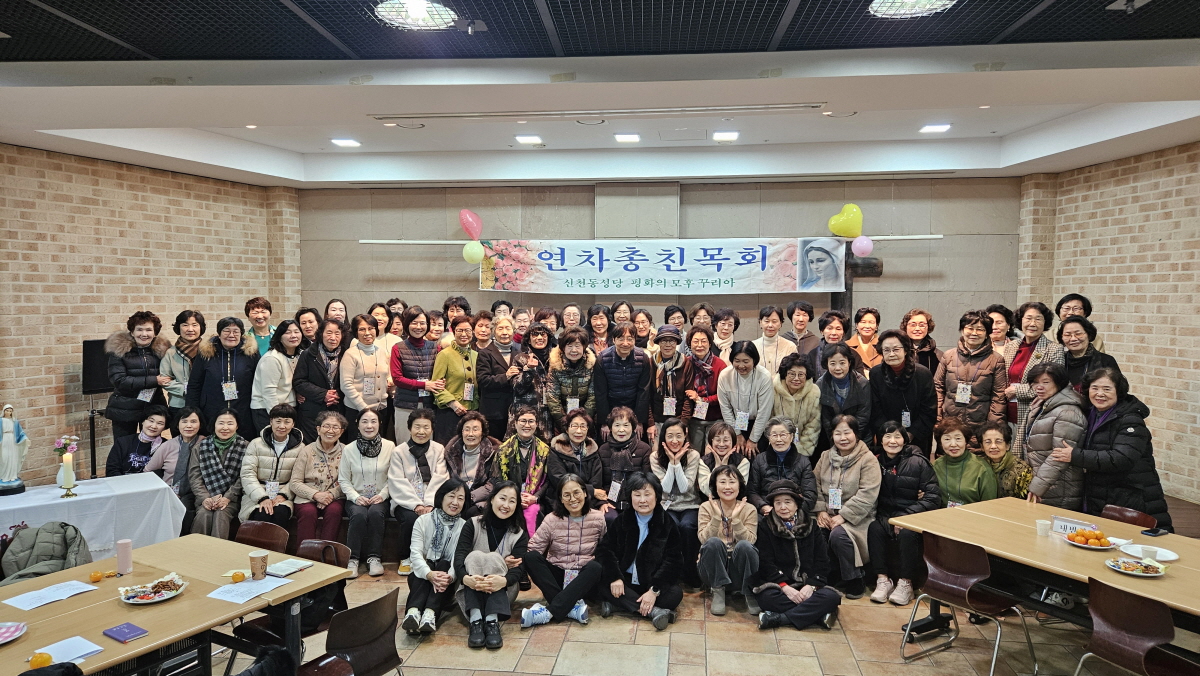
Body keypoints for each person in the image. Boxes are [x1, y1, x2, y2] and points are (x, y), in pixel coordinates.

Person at [1050, 368, 1172, 530]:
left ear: (1118, 391)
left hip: (1129, 495)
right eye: (1095, 388)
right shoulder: (1090, 413)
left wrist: (1076, 456)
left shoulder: (1131, 420)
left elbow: (1121, 458)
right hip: (1102, 492)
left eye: (1107, 389)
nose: (1100, 394)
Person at [594, 472, 683, 630]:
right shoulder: (622, 520)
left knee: (675, 594)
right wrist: (615, 577)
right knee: (600, 582)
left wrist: (654, 590)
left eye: (647, 494)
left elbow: (674, 560)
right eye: (637, 495)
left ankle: (620, 606)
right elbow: (604, 550)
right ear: (630, 497)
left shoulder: (667, 523)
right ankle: (654, 612)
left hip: (650, 582)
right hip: (625, 581)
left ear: (656, 496)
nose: (642, 500)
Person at [751, 479, 841, 631]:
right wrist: (785, 587)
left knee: (832, 598)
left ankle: (780, 619)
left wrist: (811, 585)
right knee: (766, 598)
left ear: (796, 504)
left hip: (808, 584)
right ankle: (817, 616)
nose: (783, 507)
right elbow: (766, 562)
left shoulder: (811, 525)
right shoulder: (765, 526)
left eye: (788, 502)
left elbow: (822, 561)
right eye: (778, 503)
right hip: (780, 586)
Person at [521, 474, 606, 627]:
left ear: (585, 493)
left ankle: (549, 612)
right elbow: (534, 548)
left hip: (583, 579)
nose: (572, 499)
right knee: (531, 557)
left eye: (576, 493)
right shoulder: (551, 519)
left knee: (596, 566)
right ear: (560, 498)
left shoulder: (598, 518)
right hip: (558, 575)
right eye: (566, 495)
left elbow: (605, 550)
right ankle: (571, 608)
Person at [812, 415, 882, 600]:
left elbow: (868, 493)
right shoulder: (825, 456)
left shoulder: (867, 459)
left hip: (858, 517)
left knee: (839, 535)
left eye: (847, 433)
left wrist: (844, 516)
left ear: (856, 434)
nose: (843, 438)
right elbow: (814, 484)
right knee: (816, 531)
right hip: (827, 513)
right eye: (838, 433)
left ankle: (854, 578)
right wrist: (820, 510)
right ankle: (827, 575)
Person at [454, 481, 529, 650]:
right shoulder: (472, 524)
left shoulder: (518, 533)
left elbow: (519, 569)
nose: (506, 505)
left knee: (494, 558)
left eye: (512, 501)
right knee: (475, 556)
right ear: (492, 499)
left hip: (504, 590)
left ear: (517, 505)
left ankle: (491, 621)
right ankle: (476, 620)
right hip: (470, 588)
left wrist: (503, 581)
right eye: (502, 498)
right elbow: (458, 558)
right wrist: (466, 579)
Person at [872, 421, 939, 606]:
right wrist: (888, 519)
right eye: (887, 436)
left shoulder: (918, 462)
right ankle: (883, 580)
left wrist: (905, 518)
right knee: (874, 528)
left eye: (897, 436)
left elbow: (932, 497)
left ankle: (906, 583)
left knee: (907, 533)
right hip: (886, 515)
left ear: (905, 440)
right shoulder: (874, 461)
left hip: (912, 516)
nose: (892, 441)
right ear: (880, 440)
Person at [403, 479, 468, 635]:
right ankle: (414, 613)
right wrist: (429, 574)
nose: (455, 502)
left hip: (446, 583)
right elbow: (415, 554)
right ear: (441, 497)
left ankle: (428, 613)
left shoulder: (464, 526)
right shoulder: (422, 521)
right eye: (451, 496)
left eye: (460, 498)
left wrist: (449, 578)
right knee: (427, 565)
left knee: (444, 564)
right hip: (421, 577)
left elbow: (457, 559)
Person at [388, 409, 449, 575]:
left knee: (439, 517)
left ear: (432, 429)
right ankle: (406, 557)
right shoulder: (399, 451)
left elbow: (440, 477)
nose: (421, 431)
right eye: (417, 427)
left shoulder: (438, 449)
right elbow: (397, 481)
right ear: (409, 428)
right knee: (410, 519)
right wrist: (416, 505)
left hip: (432, 500)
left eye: (426, 427)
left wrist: (429, 503)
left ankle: (432, 557)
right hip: (405, 501)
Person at [1002, 301, 1065, 458]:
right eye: (1028, 318)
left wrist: (1017, 390)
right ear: (1020, 320)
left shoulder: (1053, 349)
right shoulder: (1011, 346)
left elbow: (1053, 385)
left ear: (1045, 323)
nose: (1032, 323)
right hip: (1006, 413)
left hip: (1032, 414)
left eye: (1038, 319)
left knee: (1024, 461)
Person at [338, 408, 394, 577]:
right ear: (357, 424)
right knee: (359, 515)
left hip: (381, 497)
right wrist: (355, 497)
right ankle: (352, 559)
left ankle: (374, 558)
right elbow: (343, 480)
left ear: (380, 424)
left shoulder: (390, 446)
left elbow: (394, 476)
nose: (369, 426)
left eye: (373, 421)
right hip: (356, 497)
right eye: (364, 421)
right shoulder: (349, 449)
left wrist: (383, 495)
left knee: (376, 514)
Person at [1022, 363, 1086, 508]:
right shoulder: (1041, 403)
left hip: (1059, 487)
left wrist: (1037, 487)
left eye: (1046, 382)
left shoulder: (1068, 412)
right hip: (1044, 483)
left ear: (1059, 383)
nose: (1039, 387)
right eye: (1035, 382)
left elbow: (1059, 457)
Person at [697, 465, 759, 616]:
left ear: (740, 485)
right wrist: (716, 517)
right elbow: (704, 540)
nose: (727, 487)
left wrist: (736, 519)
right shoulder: (706, 507)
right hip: (712, 569)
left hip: (739, 570)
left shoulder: (749, 509)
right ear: (715, 485)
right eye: (722, 482)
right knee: (713, 543)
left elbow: (751, 541)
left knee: (745, 545)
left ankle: (750, 592)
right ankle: (718, 591)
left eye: (732, 482)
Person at [649, 418, 702, 587]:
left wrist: (676, 462)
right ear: (663, 437)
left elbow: (685, 488)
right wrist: (672, 464)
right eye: (670, 436)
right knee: (672, 525)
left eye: (679, 436)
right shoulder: (655, 457)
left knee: (687, 526)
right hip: (667, 505)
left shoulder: (693, 455)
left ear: (685, 435)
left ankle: (689, 570)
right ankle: (671, 572)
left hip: (690, 504)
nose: (674, 440)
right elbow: (664, 489)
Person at [933, 311, 1008, 430]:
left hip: (980, 425)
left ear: (987, 333)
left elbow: (998, 396)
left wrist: (992, 427)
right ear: (962, 330)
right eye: (970, 328)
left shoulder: (996, 360)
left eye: (980, 329)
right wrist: (938, 417)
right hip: (950, 423)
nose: (974, 333)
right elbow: (938, 387)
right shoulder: (948, 356)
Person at [187, 317, 259, 439]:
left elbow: (259, 383)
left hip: (243, 412)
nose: (231, 335)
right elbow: (194, 384)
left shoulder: (251, 353)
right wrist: (193, 412)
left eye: (236, 331)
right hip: (211, 412)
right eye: (226, 331)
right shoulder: (206, 353)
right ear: (219, 334)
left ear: (241, 334)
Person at [105, 310, 171, 439]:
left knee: (152, 446)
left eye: (148, 330)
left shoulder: (163, 351)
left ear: (155, 332)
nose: (144, 334)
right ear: (132, 332)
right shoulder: (119, 351)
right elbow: (119, 380)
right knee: (124, 445)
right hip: (125, 408)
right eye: (139, 329)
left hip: (153, 406)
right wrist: (155, 380)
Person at [869, 330, 936, 455]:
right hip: (887, 437)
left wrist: (909, 435)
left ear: (905, 350)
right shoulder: (876, 374)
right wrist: (890, 435)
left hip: (916, 436)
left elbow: (929, 410)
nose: (891, 354)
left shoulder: (923, 374)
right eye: (886, 350)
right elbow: (875, 409)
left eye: (896, 349)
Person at [239, 403, 303, 528]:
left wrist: (283, 495)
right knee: (262, 514)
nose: (282, 426)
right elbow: (247, 474)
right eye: (278, 421)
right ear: (271, 422)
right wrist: (262, 498)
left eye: (287, 422)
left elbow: (298, 478)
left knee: (280, 513)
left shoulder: (300, 448)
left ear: (293, 424)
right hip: (256, 492)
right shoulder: (256, 444)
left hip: (283, 494)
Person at [289, 410, 347, 545]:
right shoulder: (306, 450)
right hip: (307, 496)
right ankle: (305, 553)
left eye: (335, 427)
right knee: (308, 512)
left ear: (341, 432)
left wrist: (330, 494)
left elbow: (350, 481)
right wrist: (316, 495)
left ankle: (327, 552)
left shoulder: (347, 451)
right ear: (318, 429)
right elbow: (295, 482)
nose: (330, 431)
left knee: (334, 511)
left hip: (335, 496)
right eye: (326, 426)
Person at [492, 407, 552, 534]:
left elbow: (548, 480)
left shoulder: (544, 450)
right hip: (509, 496)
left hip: (535, 499)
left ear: (536, 424)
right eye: (523, 421)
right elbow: (497, 478)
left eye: (531, 421)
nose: (527, 425)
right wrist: (515, 496)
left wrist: (535, 497)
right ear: (515, 423)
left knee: (535, 510)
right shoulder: (504, 449)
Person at [189, 410, 248, 539]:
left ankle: (218, 550)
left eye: (230, 423)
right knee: (204, 514)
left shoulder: (245, 447)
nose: (225, 427)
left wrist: (228, 497)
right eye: (221, 423)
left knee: (221, 514)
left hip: (232, 498)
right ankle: (195, 548)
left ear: (237, 426)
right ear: (214, 424)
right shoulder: (200, 447)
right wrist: (205, 498)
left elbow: (244, 476)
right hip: (206, 497)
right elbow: (195, 477)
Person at [391, 306, 445, 444]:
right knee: (404, 444)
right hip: (405, 404)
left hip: (429, 405)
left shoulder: (436, 347)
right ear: (407, 324)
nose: (418, 327)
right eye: (414, 323)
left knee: (428, 444)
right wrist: (424, 385)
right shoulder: (398, 348)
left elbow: (441, 374)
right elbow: (397, 379)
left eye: (422, 323)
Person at [746, 417, 817, 516]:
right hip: (766, 512)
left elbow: (810, 495)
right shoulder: (759, 460)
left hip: (795, 513)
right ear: (769, 438)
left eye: (783, 435)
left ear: (791, 436)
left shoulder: (803, 461)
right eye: (774, 435)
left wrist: (793, 511)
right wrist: (763, 507)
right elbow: (752, 491)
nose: (779, 439)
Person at [293, 319, 347, 445]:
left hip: (338, 409)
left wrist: (336, 394)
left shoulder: (346, 354)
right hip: (313, 411)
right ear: (321, 333)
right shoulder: (308, 354)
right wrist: (323, 394)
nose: (333, 337)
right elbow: (299, 381)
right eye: (329, 333)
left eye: (337, 333)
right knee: (313, 447)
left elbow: (351, 381)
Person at [594, 322, 653, 435]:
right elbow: (600, 392)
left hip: (634, 409)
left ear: (634, 340)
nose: (625, 343)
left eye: (630, 339)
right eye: (621, 339)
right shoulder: (603, 359)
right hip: (610, 409)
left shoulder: (643, 358)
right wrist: (605, 422)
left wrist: (639, 421)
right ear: (614, 340)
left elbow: (643, 391)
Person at [341, 314, 392, 439]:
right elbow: (346, 385)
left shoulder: (382, 352)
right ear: (356, 332)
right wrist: (364, 408)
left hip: (381, 409)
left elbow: (388, 375)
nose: (367, 333)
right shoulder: (350, 354)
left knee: (378, 444)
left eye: (371, 328)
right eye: (362, 329)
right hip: (357, 410)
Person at [431, 315, 479, 445]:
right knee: (449, 448)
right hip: (450, 412)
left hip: (472, 411)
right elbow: (436, 385)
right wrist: (452, 403)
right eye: (459, 330)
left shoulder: (476, 355)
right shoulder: (444, 354)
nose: (464, 334)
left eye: (467, 330)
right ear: (453, 331)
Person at [547, 410, 607, 513]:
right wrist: (591, 490)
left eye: (583, 426)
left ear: (587, 429)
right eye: (574, 426)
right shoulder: (556, 449)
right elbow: (559, 480)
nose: (579, 431)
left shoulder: (593, 450)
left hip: (588, 500)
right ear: (567, 429)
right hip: (563, 500)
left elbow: (596, 481)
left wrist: (593, 494)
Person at [250, 321, 303, 435]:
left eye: (296, 332)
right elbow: (269, 392)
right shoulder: (272, 358)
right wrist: (278, 419)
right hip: (267, 409)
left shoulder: (300, 355)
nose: (293, 336)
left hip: (288, 409)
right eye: (288, 332)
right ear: (279, 336)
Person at [932, 417, 997, 507]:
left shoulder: (981, 468)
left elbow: (990, 505)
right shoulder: (935, 466)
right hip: (942, 514)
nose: (953, 444)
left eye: (958, 438)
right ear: (940, 442)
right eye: (947, 439)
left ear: (966, 441)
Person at [817, 343, 872, 450]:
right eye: (832, 363)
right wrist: (836, 440)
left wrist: (851, 439)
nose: (838, 368)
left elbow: (863, 417)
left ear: (849, 362)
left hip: (860, 437)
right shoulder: (820, 384)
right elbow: (826, 419)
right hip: (834, 439)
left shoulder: (862, 383)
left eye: (842, 363)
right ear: (826, 364)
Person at [598, 407, 652, 513]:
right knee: (609, 517)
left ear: (633, 427)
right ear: (610, 428)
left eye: (626, 425)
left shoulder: (644, 449)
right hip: (609, 500)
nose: (621, 430)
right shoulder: (603, 450)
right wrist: (602, 502)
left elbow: (647, 481)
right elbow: (599, 482)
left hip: (637, 500)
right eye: (617, 425)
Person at [443, 412, 498, 515]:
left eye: (475, 429)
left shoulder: (493, 453)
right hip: (455, 496)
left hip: (479, 499)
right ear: (462, 432)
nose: (470, 434)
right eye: (467, 429)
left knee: (471, 512)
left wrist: (468, 497)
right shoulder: (450, 451)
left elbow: (492, 484)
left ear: (482, 433)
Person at [160, 310, 205, 435]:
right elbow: (165, 379)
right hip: (179, 405)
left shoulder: (209, 350)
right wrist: (186, 390)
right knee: (179, 442)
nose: (190, 329)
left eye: (195, 325)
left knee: (203, 441)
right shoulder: (171, 352)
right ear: (178, 328)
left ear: (201, 327)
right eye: (185, 325)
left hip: (204, 404)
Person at [649, 326, 695, 447]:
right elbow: (646, 395)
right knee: (656, 454)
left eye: (672, 341)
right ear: (658, 342)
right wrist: (650, 423)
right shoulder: (651, 362)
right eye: (664, 341)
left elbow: (688, 396)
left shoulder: (685, 362)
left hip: (678, 420)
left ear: (677, 343)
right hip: (657, 420)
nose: (668, 344)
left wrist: (683, 423)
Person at [546, 327, 596, 436]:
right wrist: (564, 423)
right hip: (562, 416)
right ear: (563, 347)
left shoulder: (591, 365)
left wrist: (584, 421)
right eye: (569, 346)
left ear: (584, 347)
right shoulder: (555, 366)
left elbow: (593, 397)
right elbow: (552, 398)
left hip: (585, 417)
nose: (574, 350)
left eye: (577, 346)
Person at [684, 325, 726, 451]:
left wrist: (701, 400)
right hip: (694, 419)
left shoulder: (720, 365)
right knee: (694, 453)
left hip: (716, 418)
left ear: (710, 343)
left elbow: (723, 395)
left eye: (703, 341)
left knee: (713, 453)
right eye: (695, 341)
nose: (699, 345)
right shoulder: (686, 363)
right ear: (690, 344)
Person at [476, 315, 518, 439]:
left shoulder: (519, 353)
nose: (504, 332)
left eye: (508, 328)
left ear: (513, 331)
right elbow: (483, 380)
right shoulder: (485, 354)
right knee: (494, 445)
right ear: (494, 331)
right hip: (493, 413)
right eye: (500, 328)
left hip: (514, 411)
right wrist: (506, 376)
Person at [771, 353, 821, 457]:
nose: (796, 379)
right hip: (775, 443)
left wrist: (802, 451)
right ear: (785, 374)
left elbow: (813, 425)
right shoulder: (772, 389)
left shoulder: (814, 392)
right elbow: (768, 420)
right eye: (792, 374)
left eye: (801, 375)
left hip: (803, 446)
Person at [511, 323, 554, 438]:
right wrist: (529, 370)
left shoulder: (556, 358)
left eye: (543, 334)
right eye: (535, 334)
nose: (539, 338)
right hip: (527, 416)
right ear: (528, 339)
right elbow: (518, 388)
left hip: (551, 414)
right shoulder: (520, 358)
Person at [1059, 316, 1119, 392]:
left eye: (1078, 334)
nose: (1073, 339)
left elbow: (1119, 390)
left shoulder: (1106, 360)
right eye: (1067, 335)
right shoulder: (1059, 360)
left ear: (1089, 335)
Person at [978, 422, 1034, 500]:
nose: (993, 446)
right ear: (982, 447)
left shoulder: (1022, 470)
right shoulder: (979, 466)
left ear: (1007, 445)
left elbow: (1028, 501)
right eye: (988, 442)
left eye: (998, 441)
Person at [106, 405, 168, 476]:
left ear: (164, 427)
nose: (154, 426)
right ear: (143, 421)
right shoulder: (123, 442)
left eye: (160, 423)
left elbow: (167, 472)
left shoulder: (166, 446)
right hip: (123, 481)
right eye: (151, 421)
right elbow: (112, 469)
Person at [696, 422, 750, 498]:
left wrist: (724, 467)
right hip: (710, 502)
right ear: (711, 442)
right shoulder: (703, 462)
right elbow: (707, 491)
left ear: (733, 442)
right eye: (718, 440)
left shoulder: (743, 462)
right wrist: (717, 467)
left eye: (726, 440)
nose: (721, 444)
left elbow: (739, 490)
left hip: (734, 502)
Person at [751, 306, 797, 378]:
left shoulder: (790, 346)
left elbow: (794, 372)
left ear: (780, 323)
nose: (770, 325)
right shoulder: (752, 346)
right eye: (767, 321)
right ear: (760, 322)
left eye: (774, 321)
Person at [806, 310, 848, 378]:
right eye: (829, 328)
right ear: (822, 331)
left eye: (838, 329)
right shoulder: (813, 355)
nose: (834, 333)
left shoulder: (852, 354)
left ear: (843, 332)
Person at [900, 309, 942, 374]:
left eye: (922, 325)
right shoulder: (898, 351)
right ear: (905, 327)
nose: (917, 329)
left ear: (928, 327)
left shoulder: (938, 355)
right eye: (913, 325)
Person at [845, 308, 882, 374]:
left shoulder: (883, 345)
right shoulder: (846, 346)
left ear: (877, 326)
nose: (867, 326)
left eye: (871, 322)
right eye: (863, 322)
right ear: (856, 325)